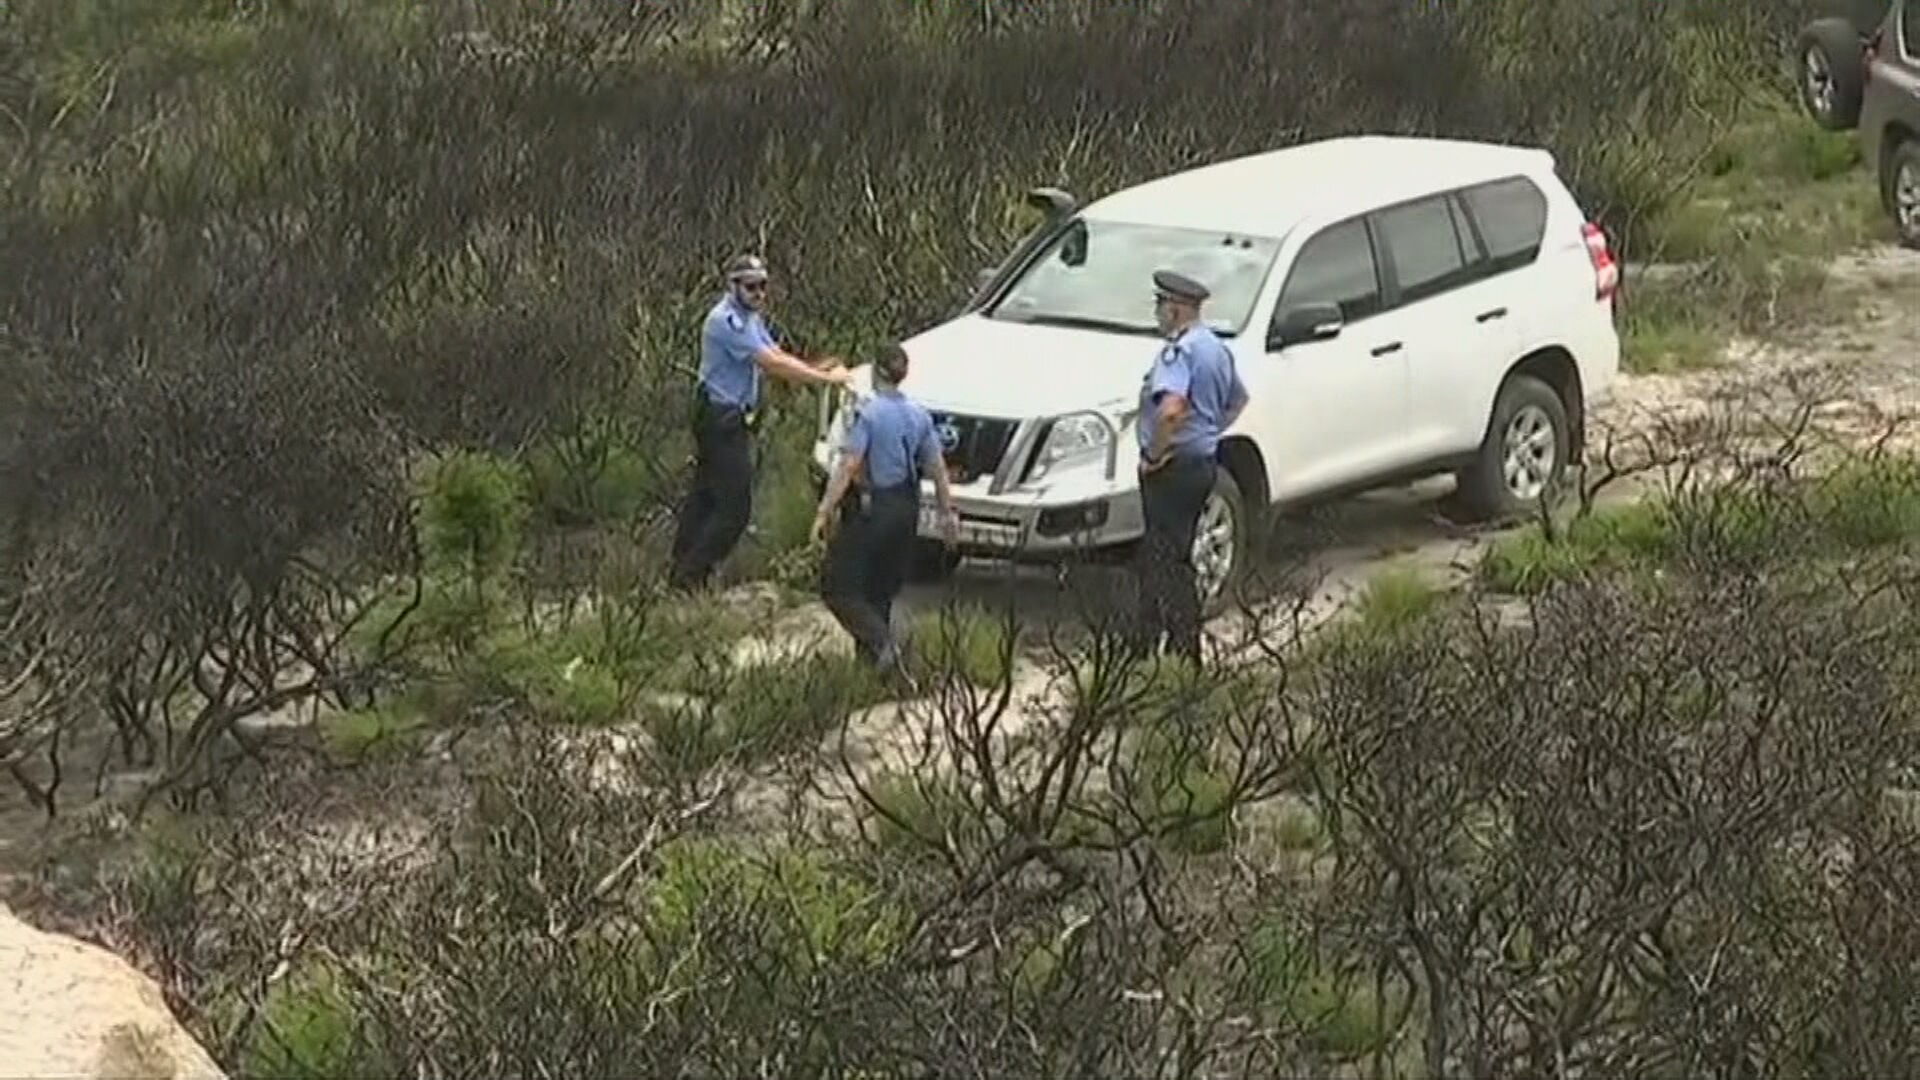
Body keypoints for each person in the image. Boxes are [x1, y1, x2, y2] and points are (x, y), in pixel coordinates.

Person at [669, 253, 851, 592]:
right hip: (720, 419)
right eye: (751, 287)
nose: (758, 294)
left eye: (763, 286)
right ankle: (690, 576)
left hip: (731, 419)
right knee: (734, 509)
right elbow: (770, 364)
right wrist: (822, 380)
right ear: (733, 286)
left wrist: (817, 369)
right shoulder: (726, 321)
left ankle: (682, 572)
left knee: (706, 497)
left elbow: (777, 353)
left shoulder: (750, 318)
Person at [812, 342, 958, 674]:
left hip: (875, 507)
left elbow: (849, 465)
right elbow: (937, 469)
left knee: (840, 588)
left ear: (877, 372)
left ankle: (883, 645)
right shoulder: (919, 415)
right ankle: (876, 670)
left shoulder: (871, 414)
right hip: (907, 509)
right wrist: (947, 515)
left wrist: (824, 510)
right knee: (879, 590)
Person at [1130, 268, 1249, 664]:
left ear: (1177, 309)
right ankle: (1180, 649)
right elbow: (1237, 401)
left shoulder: (1179, 352)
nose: (1158, 313)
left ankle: (1161, 650)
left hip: (1173, 468)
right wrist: (1208, 434)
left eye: (1161, 305)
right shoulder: (1216, 348)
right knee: (1178, 555)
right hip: (1203, 464)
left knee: (1162, 558)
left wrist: (1155, 454)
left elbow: (1171, 409)